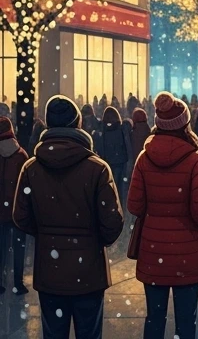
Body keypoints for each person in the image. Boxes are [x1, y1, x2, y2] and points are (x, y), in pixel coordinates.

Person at [13, 95, 124, 339]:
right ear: (78, 123)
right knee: (89, 333)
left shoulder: (31, 168)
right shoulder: (97, 168)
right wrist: (95, 241)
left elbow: (20, 216)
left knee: (54, 333)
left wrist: (45, 234)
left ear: (48, 124)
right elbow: (112, 222)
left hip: (49, 270)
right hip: (89, 273)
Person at [127, 92, 198, 339]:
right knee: (186, 321)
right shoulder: (196, 160)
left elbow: (134, 205)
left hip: (153, 251)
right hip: (187, 253)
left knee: (154, 318)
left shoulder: (144, 158)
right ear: (185, 124)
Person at [0, 115, 28, 295]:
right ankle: (18, 282)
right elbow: (26, 185)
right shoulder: (21, 155)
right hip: (17, 210)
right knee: (19, 247)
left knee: (1, 247)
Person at [95, 104, 132, 207]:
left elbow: (100, 148)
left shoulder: (102, 131)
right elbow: (127, 147)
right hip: (120, 163)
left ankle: (110, 206)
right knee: (120, 189)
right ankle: (119, 206)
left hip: (107, 163)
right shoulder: (122, 129)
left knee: (108, 188)